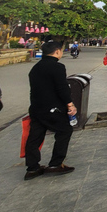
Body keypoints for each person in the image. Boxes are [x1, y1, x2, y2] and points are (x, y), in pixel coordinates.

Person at [24, 41, 77, 180]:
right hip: (53, 108)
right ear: (58, 51)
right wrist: (70, 104)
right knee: (65, 130)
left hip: (36, 108)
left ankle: (32, 167)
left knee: (35, 136)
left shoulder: (35, 68)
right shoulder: (57, 67)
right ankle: (55, 164)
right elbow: (62, 88)